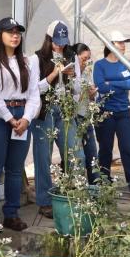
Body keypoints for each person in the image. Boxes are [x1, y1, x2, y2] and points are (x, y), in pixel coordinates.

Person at [0, 18, 40, 230]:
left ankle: (11, 213)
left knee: (15, 169)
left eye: (18, 32)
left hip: (22, 114)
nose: (15, 35)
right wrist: (9, 118)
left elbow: (34, 93)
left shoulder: (28, 60)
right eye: (9, 31)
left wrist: (26, 118)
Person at [30, 20, 84, 218]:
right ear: (48, 38)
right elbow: (35, 89)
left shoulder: (72, 56)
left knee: (75, 153)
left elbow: (78, 88)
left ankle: (73, 194)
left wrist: (70, 76)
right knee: (43, 157)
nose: (60, 45)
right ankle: (44, 200)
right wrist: (54, 74)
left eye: (63, 40)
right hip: (45, 110)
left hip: (65, 108)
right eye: (56, 41)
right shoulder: (37, 58)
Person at [92, 31, 130, 190]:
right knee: (105, 149)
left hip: (123, 113)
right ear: (110, 45)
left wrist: (111, 83)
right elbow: (101, 86)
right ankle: (104, 183)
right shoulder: (100, 65)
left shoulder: (128, 63)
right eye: (119, 43)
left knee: (128, 148)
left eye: (124, 42)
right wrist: (121, 82)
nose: (123, 46)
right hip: (105, 113)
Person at [74, 43, 100, 185]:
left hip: (85, 115)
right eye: (84, 59)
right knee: (78, 155)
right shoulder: (70, 73)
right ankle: (77, 186)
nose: (86, 62)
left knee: (92, 153)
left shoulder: (87, 72)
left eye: (88, 59)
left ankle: (95, 186)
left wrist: (92, 94)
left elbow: (91, 95)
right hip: (74, 117)